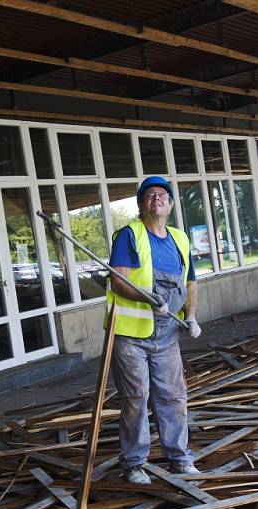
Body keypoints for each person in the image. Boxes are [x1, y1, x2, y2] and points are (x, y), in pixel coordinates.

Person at [106, 175, 202, 485]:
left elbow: (190, 282)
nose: (156, 198)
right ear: (140, 204)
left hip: (167, 334)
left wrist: (192, 316)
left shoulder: (180, 239)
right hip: (132, 334)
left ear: (171, 205)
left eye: (162, 194)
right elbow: (118, 280)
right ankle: (134, 464)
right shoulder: (129, 235)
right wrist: (147, 299)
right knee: (136, 398)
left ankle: (179, 458)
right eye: (149, 195)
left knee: (173, 397)